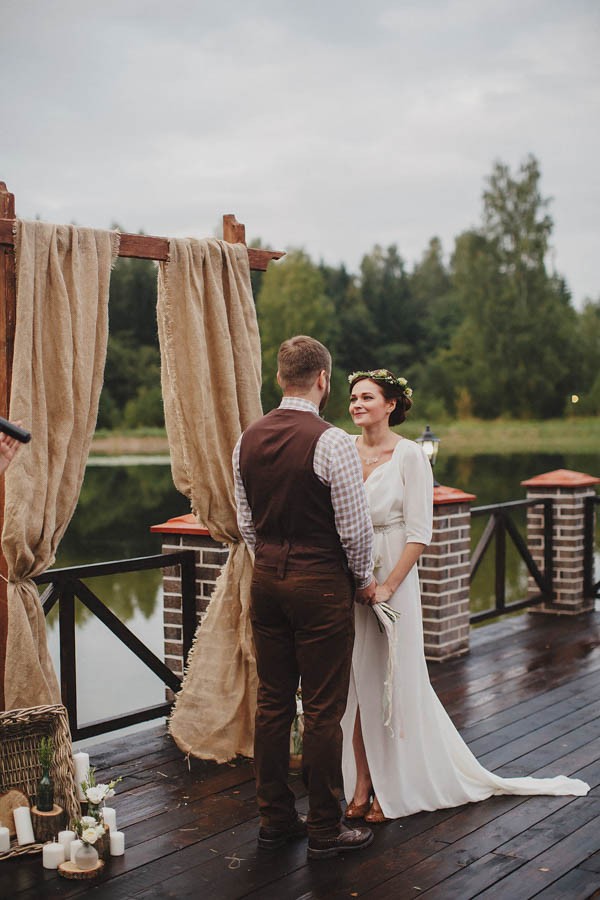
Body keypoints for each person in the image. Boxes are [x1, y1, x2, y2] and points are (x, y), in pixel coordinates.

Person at [341, 368, 590, 824]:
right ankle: (361, 782)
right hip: (351, 579)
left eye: (367, 397)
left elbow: (420, 531)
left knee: (394, 683)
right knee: (357, 686)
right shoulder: (343, 450)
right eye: (354, 397)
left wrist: (390, 587)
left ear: (390, 404)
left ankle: (394, 787)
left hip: (394, 578)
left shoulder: (411, 455)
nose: (357, 404)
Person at [233, 336, 378, 860]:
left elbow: (246, 522)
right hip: (319, 584)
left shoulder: (246, 437)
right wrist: (362, 579)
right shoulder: (333, 440)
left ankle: (275, 821)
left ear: (279, 378)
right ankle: (323, 826)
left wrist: (271, 558)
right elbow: (355, 529)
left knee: (272, 702)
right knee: (322, 709)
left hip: (266, 580)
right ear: (322, 380)